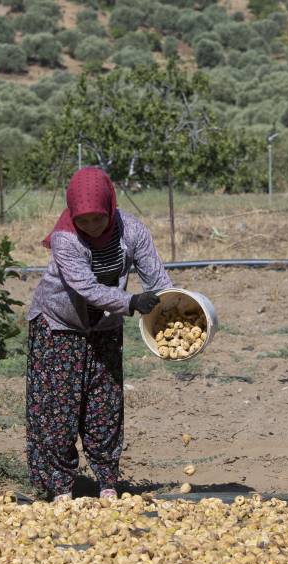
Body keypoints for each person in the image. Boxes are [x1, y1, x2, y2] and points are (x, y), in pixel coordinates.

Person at [26, 167, 172, 501]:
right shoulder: (65, 238)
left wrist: (174, 309)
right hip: (59, 325)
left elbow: (157, 279)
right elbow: (86, 289)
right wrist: (131, 301)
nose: (91, 227)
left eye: (98, 219)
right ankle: (58, 486)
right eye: (84, 220)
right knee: (57, 409)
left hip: (104, 327)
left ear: (110, 208)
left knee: (103, 404)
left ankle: (106, 480)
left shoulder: (131, 231)